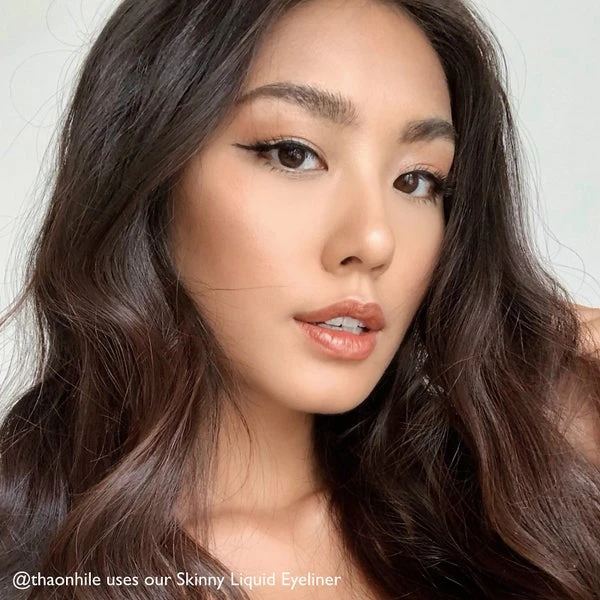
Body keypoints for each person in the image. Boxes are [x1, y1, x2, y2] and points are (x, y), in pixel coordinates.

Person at [1, 0, 600, 598]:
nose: (374, 241)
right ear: (145, 171)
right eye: (294, 154)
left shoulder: (504, 525)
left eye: (416, 180)